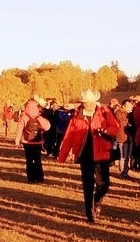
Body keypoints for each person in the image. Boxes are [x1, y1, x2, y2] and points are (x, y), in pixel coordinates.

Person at [57, 89, 121, 223]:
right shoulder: (76, 116)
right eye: (85, 103)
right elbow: (69, 136)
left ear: (94, 101)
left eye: (90, 102)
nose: (88, 105)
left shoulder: (104, 112)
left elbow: (115, 127)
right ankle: (90, 213)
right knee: (88, 185)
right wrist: (62, 156)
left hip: (102, 153)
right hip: (84, 154)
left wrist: (105, 131)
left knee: (104, 184)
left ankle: (97, 200)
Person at [15, 98, 50, 183]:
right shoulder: (39, 117)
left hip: (27, 142)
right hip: (38, 142)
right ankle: (40, 178)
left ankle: (31, 179)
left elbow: (19, 129)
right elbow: (47, 127)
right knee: (38, 160)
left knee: (29, 160)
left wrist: (17, 141)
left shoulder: (24, 117)